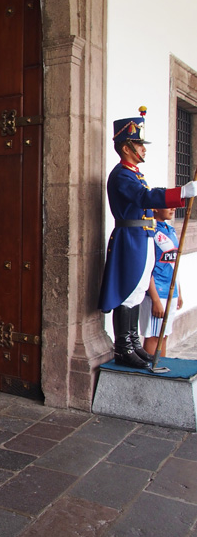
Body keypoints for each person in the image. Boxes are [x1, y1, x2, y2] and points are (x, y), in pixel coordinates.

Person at [98, 107, 196, 369]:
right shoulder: (122, 175)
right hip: (131, 238)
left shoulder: (135, 174)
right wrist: (180, 193)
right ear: (127, 146)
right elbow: (144, 198)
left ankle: (133, 344)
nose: (144, 149)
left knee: (139, 288)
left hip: (142, 237)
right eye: (140, 144)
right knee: (129, 292)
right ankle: (124, 348)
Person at [139, 207, 183, 358]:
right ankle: (149, 375)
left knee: (163, 335)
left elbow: (173, 263)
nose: (173, 208)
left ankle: (161, 370)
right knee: (153, 336)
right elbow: (148, 267)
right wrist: (155, 299)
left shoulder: (170, 230)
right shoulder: (150, 231)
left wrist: (179, 291)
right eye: (168, 205)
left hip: (171, 291)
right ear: (155, 208)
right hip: (156, 291)